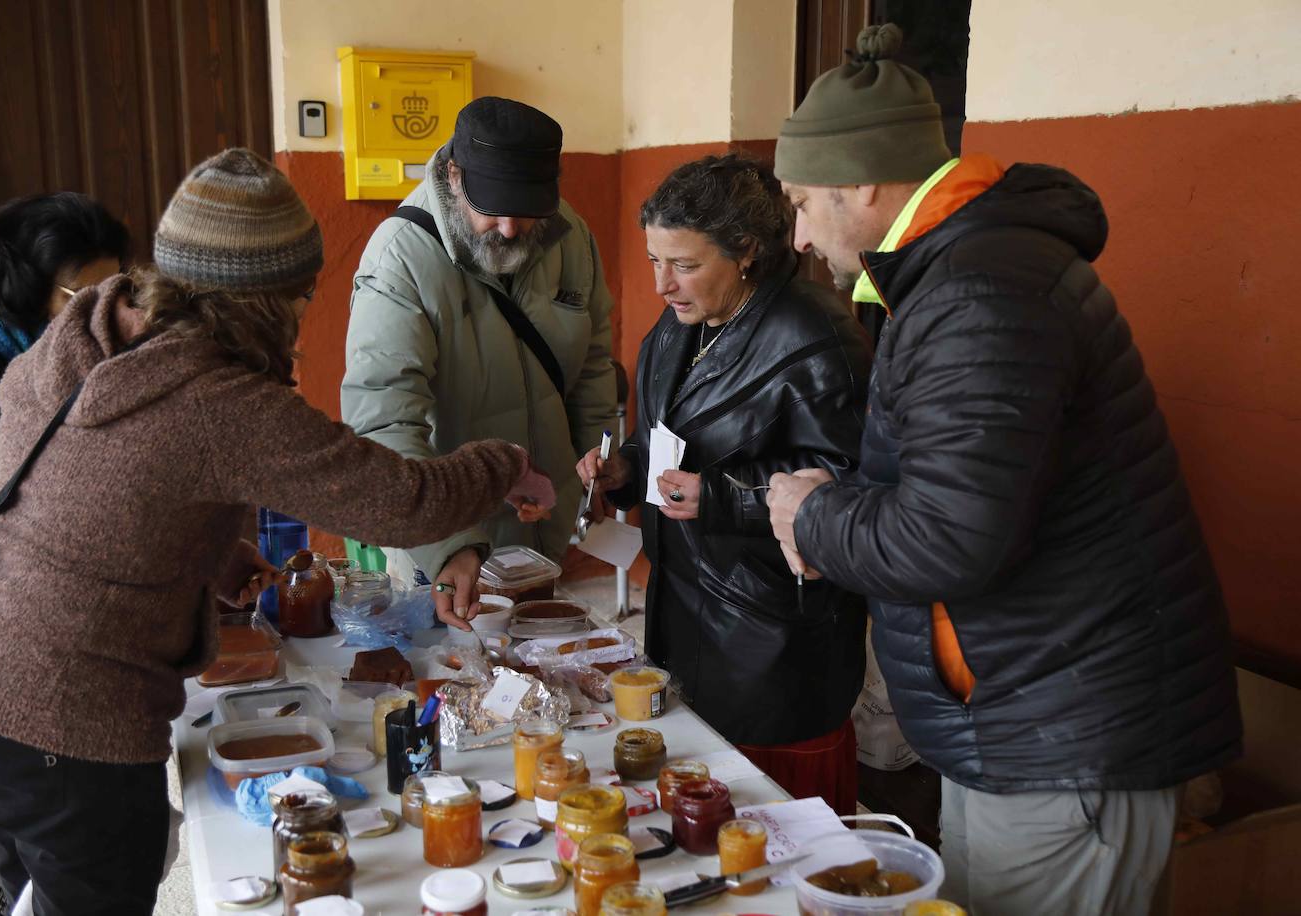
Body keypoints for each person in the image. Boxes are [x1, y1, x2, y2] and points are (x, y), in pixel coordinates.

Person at [0, 148, 553, 916]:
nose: (302, 314)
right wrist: (505, 460)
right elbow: (402, 501)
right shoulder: (217, 397)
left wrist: (205, 551)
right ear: (270, 296)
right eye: (301, 294)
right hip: (62, 719)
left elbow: (85, 490)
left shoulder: (89, 333)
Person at [764, 25, 1241, 916]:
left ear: (860, 181)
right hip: (1029, 721)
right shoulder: (954, 274)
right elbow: (956, 489)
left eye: (798, 202)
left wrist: (814, 516)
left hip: (1067, 738)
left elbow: (951, 537)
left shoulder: (979, 291)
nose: (794, 235)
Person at [577, 154, 872, 812]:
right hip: (684, 620)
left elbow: (854, 488)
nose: (662, 284)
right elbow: (664, 437)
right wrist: (624, 471)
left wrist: (719, 496)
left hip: (774, 643)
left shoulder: (814, 336)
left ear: (745, 252)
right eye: (655, 260)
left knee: (779, 840)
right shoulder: (680, 324)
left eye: (683, 264)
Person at [342, 96, 617, 628]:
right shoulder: (399, 257)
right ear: (454, 176)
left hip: (545, 536)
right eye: (494, 207)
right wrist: (449, 544)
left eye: (528, 208)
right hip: (443, 548)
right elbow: (381, 422)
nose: (512, 229)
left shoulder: (570, 234)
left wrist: (593, 469)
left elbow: (593, 366)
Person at [0, 192, 128, 916]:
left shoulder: (36, 346)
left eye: (116, 288)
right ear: (28, 282)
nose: (102, 308)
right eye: (84, 292)